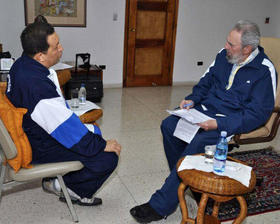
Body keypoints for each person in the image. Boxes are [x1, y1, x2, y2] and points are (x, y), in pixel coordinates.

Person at [130, 20, 277, 223]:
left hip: (229, 122)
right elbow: (205, 82)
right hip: (204, 111)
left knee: (200, 141)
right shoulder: (222, 55)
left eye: (231, 44)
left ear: (247, 49)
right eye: (227, 41)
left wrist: (219, 125)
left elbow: (258, 114)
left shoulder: (264, 70)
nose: (226, 46)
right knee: (169, 126)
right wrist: (192, 99)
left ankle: (161, 205)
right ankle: (191, 181)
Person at [6, 15, 121, 206]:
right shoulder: (37, 87)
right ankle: (65, 187)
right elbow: (65, 130)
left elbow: (55, 117)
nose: (61, 48)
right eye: (56, 46)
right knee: (107, 157)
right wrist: (100, 145)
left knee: (92, 133)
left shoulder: (21, 64)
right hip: (38, 144)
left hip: (30, 131)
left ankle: (64, 182)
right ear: (40, 56)